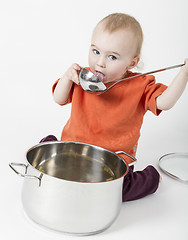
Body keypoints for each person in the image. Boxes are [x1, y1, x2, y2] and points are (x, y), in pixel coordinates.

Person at [45, 13, 188, 201]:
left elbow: (164, 102)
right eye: (95, 51)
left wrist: (184, 73)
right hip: (74, 151)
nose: (100, 63)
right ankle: (51, 144)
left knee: (116, 194)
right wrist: (67, 76)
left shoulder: (140, 85)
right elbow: (58, 98)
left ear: (132, 62)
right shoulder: (82, 77)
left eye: (112, 57)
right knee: (54, 172)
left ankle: (150, 179)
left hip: (113, 161)